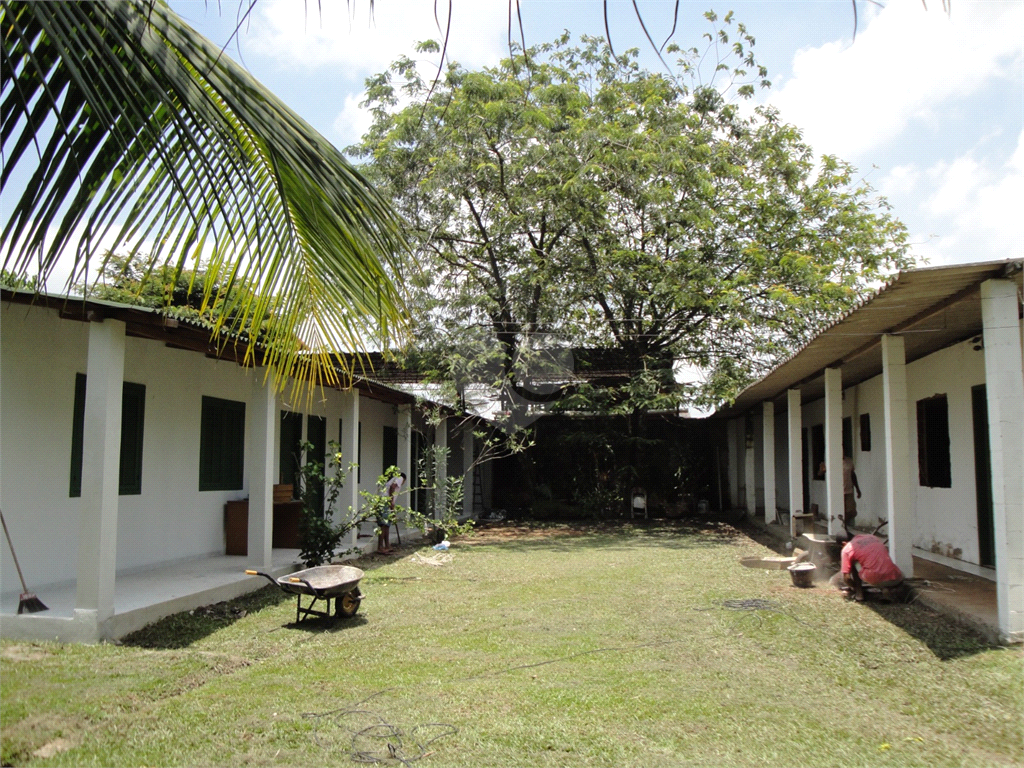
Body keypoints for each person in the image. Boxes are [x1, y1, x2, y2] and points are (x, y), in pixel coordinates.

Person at [832, 532, 903, 602]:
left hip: (874, 578)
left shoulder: (848, 548)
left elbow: (847, 578)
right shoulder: (872, 537)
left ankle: (859, 595)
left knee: (852, 562)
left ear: (844, 543)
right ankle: (885, 590)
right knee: (877, 561)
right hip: (896, 578)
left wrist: (853, 586)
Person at [819, 454, 862, 529]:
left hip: (848, 490)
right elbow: (820, 473)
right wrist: (822, 470)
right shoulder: (832, 460)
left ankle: (844, 524)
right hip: (837, 491)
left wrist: (857, 488)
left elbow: (852, 475)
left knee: (852, 511)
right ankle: (842, 527)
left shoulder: (849, 461)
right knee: (838, 510)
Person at [377, 472, 406, 555]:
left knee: (387, 525)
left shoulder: (393, 479)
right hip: (385, 502)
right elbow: (392, 487)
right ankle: (380, 547)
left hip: (385, 502)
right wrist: (391, 502)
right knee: (383, 524)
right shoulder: (400, 478)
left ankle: (387, 545)